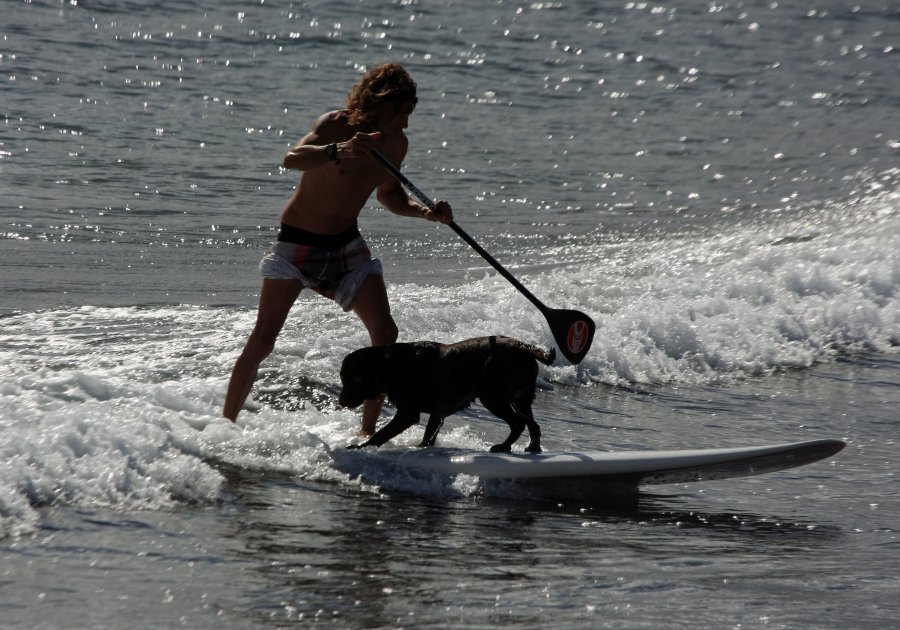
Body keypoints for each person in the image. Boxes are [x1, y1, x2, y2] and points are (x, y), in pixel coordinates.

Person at [223, 63, 453, 434]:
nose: (406, 124)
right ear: (378, 104)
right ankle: (225, 425)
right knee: (263, 339)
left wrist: (427, 214)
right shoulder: (335, 124)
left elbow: (391, 196)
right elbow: (291, 159)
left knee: (386, 334)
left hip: (346, 247)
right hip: (298, 244)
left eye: (410, 114)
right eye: (400, 113)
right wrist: (340, 150)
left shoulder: (396, 144)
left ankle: (368, 434)